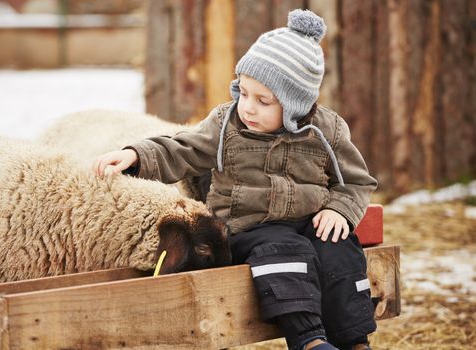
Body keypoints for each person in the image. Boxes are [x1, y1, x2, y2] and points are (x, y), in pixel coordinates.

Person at [93, 9, 377, 350]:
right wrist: (138, 155)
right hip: (250, 230)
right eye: (243, 93)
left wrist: (340, 209)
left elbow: (356, 181)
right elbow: (183, 149)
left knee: (339, 249)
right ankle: (310, 340)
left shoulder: (326, 131)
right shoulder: (226, 126)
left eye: (263, 101)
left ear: (294, 105)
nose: (248, 108)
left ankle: (354, 340)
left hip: (308, 221)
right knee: (286, 251)